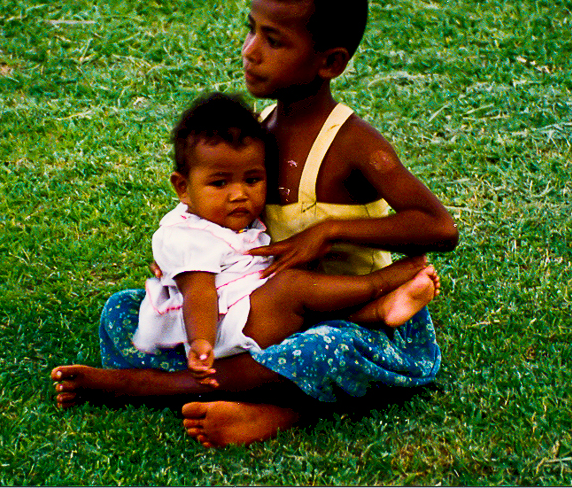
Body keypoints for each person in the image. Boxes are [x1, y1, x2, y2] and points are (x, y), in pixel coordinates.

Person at [51, 0, 458, 448]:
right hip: (256, 309)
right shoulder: (258, 130)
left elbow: (439, 228)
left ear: (329, 61)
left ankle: (243, 406)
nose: (249, 51)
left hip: (353, 313)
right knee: (123, 313)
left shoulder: (353, 144)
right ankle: (255, 389)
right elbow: (220, 219)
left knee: (326, 351)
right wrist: (184, 267)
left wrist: (328, 231)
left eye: (273, 40)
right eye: (251, 31)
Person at [132, 91, 439, 387]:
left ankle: (379, 311)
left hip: (256, 311)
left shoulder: (234, 217)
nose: (239, 195)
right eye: (219, 183)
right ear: (182, 188)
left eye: (253, 180)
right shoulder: (188, 237)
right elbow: (199, 294)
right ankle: (381, 284)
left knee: (301, 300)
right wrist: (201, 343)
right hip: (222, 328)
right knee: (292, 287)